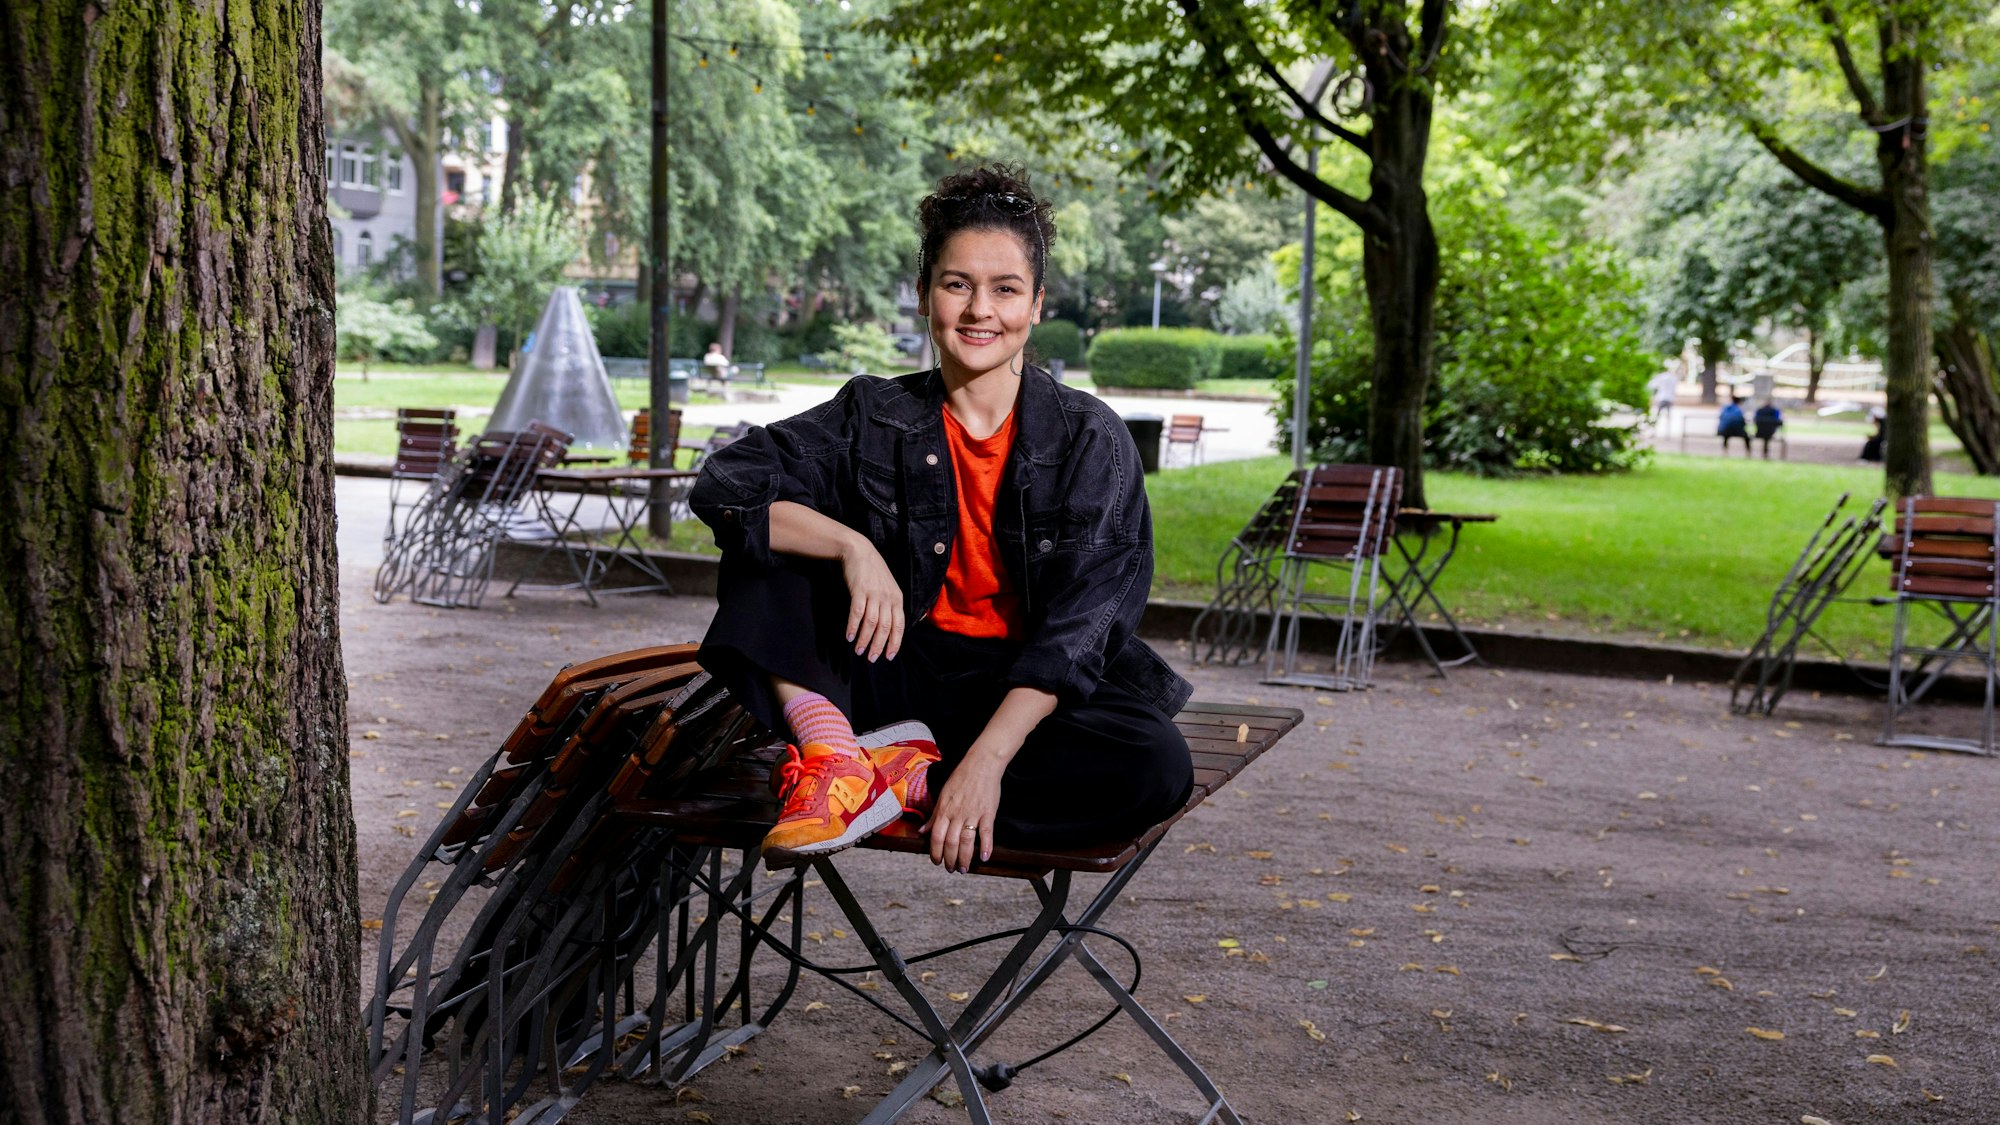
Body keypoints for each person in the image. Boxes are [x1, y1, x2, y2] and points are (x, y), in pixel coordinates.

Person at [688, 164, 1193, 873]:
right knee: (764, 543)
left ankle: (910, 780)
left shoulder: (1089, 437)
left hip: (1017, 687)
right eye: (957, 284)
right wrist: (852, 548)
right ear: (925, 294)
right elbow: (727, 483)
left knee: (1155, 764)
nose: (980, 309)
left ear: (1036, 304)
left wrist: (986, 762)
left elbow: (1080, 633)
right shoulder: (872, 413)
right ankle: (835, 757)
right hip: (892, 667)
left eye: (1005, 289)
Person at [1647, 362, 1680, 435]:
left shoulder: (1660, 377)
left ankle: (1653, 431)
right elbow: (1674, 389)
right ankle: (1668, 433)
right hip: (1670, 399)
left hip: (1661, 398)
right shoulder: (1673, 377)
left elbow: (1651, 385)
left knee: (1657, 416)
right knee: (1668, 416)